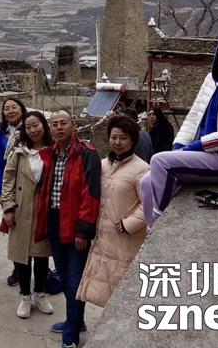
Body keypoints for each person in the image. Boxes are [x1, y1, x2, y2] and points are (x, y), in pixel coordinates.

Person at [140, 27, 218, 229]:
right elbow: (193, 118)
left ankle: (158, 225)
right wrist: (179, 147)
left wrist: (193, 148)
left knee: (160, 161)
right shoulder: (212, 78)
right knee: (146, 182)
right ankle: (150, 228)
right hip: (209, 154)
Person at [34, 110, 101, 348]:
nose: (59, 127)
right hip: (54, 222)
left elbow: (91, 194)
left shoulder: (86, 154)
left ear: (73, 125)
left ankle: (71, 337)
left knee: (74, 281)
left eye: (63, 123)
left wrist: (84, 230)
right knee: (64, 276)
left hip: (75, 225)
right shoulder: (50, 154)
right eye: (54, 124)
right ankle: (76, 320)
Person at [77, 115, 149, 309]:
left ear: (133, 140)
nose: (117, 142)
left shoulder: (143, 169)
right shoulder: (101, 165)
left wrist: (129, 224)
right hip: (103, 235)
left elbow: (149, 205)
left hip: (126, 237)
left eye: (123, 138)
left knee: (123, 285)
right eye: (114, 137)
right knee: (103, 286)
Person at [0, 111, 54, 318]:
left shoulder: (53, 151)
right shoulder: (19, 152)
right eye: (28, 127)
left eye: (36, 125)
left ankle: (40, 293)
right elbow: (8, 180)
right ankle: (24, 296)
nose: (33, 130)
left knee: (41, 255)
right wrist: (8, 207)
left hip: (43, 209)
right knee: (21, 255)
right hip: (21, 209)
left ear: (43, 126)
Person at [0, 97, 28, 286]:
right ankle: (18, 268)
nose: (11, 111)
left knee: (34, 227)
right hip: (10, 186)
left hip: (30, 184)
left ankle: (40, 268)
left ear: (22, 109)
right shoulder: (2, 133)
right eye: (7, 108)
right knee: (14, 227)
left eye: (14, 107)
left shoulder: (31, 128)